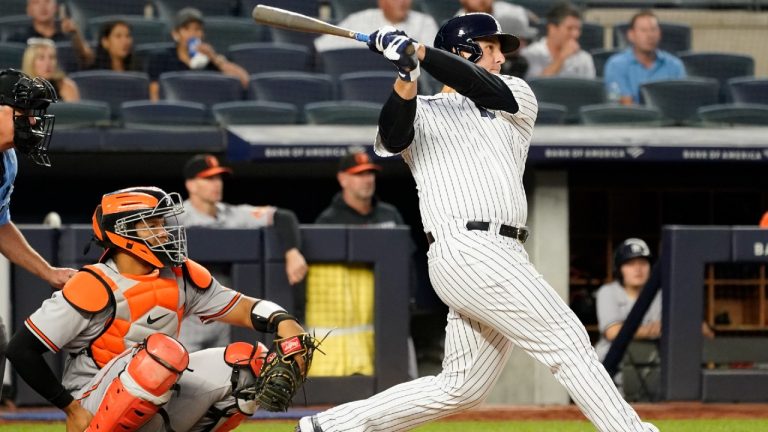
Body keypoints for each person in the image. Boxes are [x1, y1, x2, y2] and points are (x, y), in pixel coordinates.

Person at [296, 13, 658, 432]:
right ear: (463, 50)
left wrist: (420, 52)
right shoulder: (424, 109)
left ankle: (328, 427)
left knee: (461, 387)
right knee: (567, 339)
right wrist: (406, 72)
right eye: (491, 48)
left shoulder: (515, 97)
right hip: (466, 247)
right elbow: (393, 135)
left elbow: (478, 84)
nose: (501, 57)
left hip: (503, 252)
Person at [6, 186, 313, 431]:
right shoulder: (94, 284)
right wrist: (70, 410)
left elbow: (243, 307)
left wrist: (282, 320)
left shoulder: (181, 274)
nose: (164, 233)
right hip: (94, 405)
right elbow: (21, 349)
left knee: (249, 364)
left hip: (157, 394)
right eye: (152, 225)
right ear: (123, 233)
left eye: (163, 223)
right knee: (159, 356)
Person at [179, 154, 308, 351]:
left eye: (218, 178)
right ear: (191, 185)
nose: (217, 184)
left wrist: (292, 251)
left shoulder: (232, 215)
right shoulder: (176, 218)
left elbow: (283, 217)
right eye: (208, 178)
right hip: (187, 318)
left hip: (222, 318)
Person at [0, 68, 76, 398]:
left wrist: (49, 272)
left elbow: (0, 225)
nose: (32, 122)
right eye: (23, 112)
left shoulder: (8, 159)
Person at [145, 8, 249, 101]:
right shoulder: (161, 57)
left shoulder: (211, 59)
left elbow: (244, 81)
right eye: (187, 29)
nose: (193, 34)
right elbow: (154, 92)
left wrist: (214, 58)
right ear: (175, 34)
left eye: (197, 29)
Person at [603, 10, 686, 105]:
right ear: (631, 35)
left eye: (653, 30)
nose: (650, 35)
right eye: (643, 30)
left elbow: (680, 104)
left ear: (659, 34)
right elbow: (623, 104)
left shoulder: (675, 66)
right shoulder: (616, 65)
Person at [315, 151, 404, 226]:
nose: (367, 180)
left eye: (370, 173)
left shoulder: (390, 214)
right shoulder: (328, 221)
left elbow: (405, 246)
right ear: (342, 179)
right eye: (359, 174)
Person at [314, 0, 438, 53]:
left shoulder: (424, 22)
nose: (402, 2)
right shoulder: (359, 19)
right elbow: (322, 46)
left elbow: (436, 61)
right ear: (382, 2)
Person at [10, 0, 94, 69]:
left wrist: (75, 34)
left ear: (56, 7)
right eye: (36, 2)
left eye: (47, 1)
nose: (43, 7)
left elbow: (88, 62)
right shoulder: (18, 38)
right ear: (29, 10)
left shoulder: (68, 36)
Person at [521, 2, 595, 80]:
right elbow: (535, 86)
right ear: (552, 28)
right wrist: (561, 58)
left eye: (578, 29)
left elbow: (589, 90)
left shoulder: (584, 58)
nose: (575, 34)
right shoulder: (531, 54)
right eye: (569, 28)